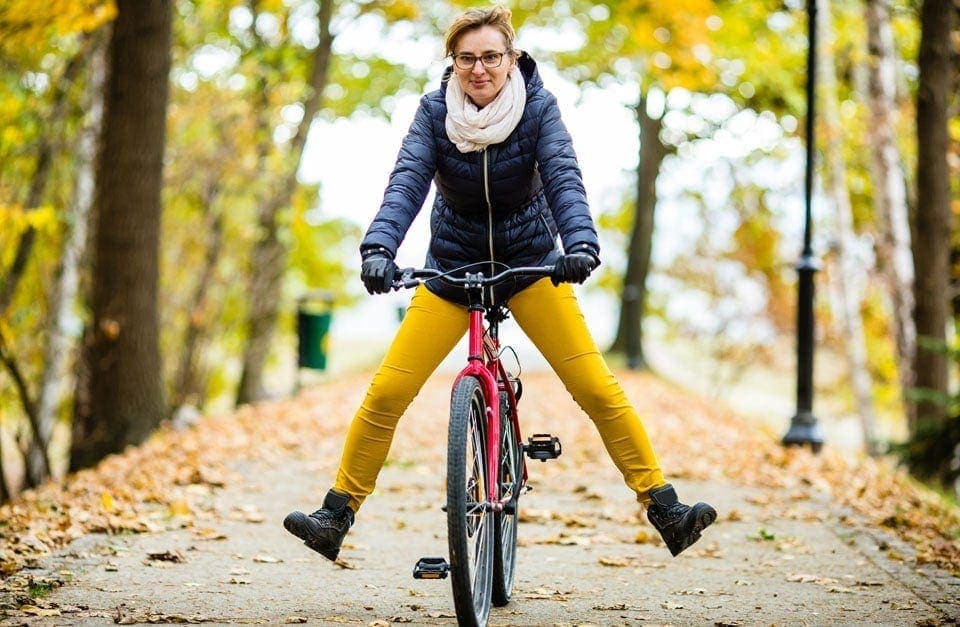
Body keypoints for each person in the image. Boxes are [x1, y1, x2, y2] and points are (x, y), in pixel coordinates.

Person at [284, 4, 716, 562]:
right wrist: (379, 248)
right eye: (466, 58)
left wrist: (579, 243)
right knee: (387, 392)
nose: (479, 68)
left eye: (490, 56)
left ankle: (666, 507)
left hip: (531, 268)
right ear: (452, 62)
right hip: (452, 270)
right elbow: (407, 181)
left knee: (594, 386)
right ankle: (335, 515)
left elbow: (563, 175)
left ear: (511, 59)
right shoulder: (435, 112)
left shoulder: (538, 109)